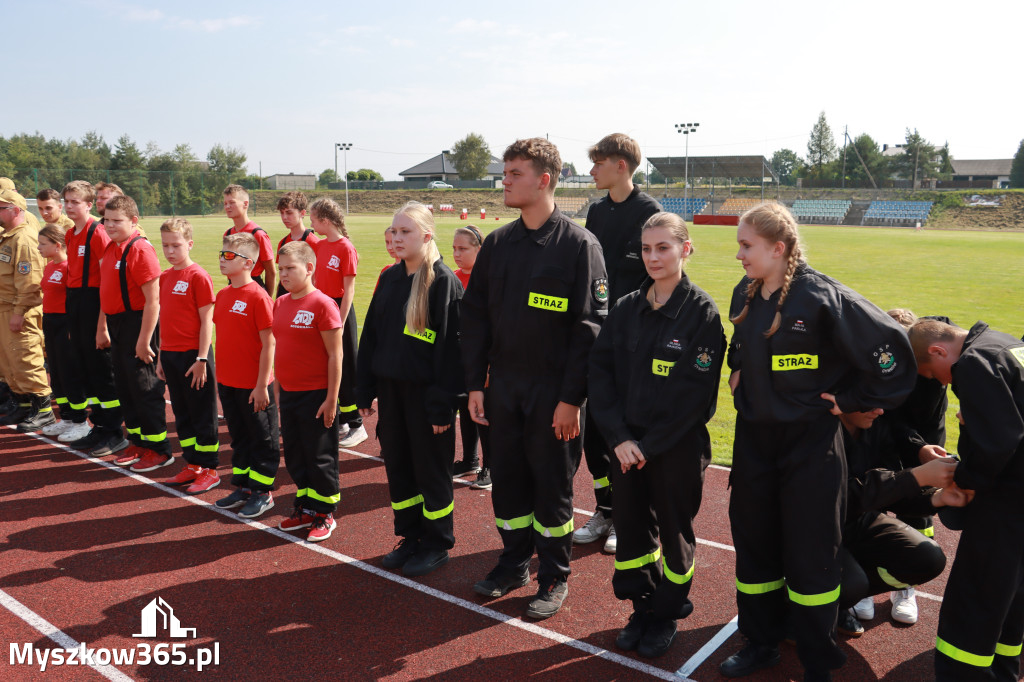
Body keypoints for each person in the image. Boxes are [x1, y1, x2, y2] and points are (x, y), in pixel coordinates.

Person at [720, 201, 916, 681]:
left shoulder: (824, 297)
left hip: (809, 448)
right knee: (756, 548)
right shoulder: (744, 294)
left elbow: (892, 354)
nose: (739, 255)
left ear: (778, 248)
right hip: (753, 445)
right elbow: (739, 345)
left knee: (811, 555)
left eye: (747, 245)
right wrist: (737, 368)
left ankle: (816, 658)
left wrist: (848, 399)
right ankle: (761, 641)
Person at [461, 138, 608, 619]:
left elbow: (591, 329)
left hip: (553, 392)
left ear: (544, 180)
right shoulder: (499, 244)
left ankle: (554, 575)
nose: (504, 180)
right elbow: (476, 316)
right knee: (507, 482)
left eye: (514, 173)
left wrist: (571, 399)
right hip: (503, 387)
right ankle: (513, 562)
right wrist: (477, 384)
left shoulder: (579, 246)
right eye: (505, 172)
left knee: (551, 485)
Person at [588, 212, 724, 658]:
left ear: (686, 249)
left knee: (674, 531)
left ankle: (666, 612)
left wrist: (648, 445)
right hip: (625, 446)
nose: (653, 257)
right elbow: (601, 376)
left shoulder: (702, 314)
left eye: (663, 247)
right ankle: (641, 607)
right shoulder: (626, 307)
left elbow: (694, 398)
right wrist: (621, 438)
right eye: (646, 249)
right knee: (630, 530)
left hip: (674, 448)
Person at [909, 318, 1024, 682]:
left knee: (975, 600)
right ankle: (1004, 671)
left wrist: (964, 479)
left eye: (933, 372)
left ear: (938, 351)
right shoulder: (1005, 343)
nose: (942, 382)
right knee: (1012, 597)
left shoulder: (973, 362)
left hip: (1006, 501)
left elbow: (998, 442)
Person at [356, 201, 463, 577]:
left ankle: (437, 542)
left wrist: (441, 407)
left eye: (406, 232)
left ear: (427, 236)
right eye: (395, 231)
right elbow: (371, 336)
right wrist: (364, 387)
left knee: (431, 471)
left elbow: (451, 352)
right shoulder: (389, 277)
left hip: (426, 399)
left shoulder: (442, 281)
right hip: (391, 394)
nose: (397, 238)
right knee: (399, 467)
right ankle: (411, 536)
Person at [576, 133, 663, 555]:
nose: (592, 170)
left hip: (634, 339)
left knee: (627, 430)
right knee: (595, 431)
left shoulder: (649, 211)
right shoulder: (597, 211)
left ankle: (631, 517)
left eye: (599, 163)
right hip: (598, 336)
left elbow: (656, 277)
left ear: (621, 166)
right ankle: (605, 509)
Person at [849, 307, 951, 626]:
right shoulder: (871, 374)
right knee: (862, 505)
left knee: (917, 522)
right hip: (880, 442)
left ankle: (901, 587)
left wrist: (929, 474)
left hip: (913, 443)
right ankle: (855, 586)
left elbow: (922, 424)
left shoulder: (929, 378)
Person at [835, 406, 960, 638]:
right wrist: (916, 476)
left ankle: (836, 601)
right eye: (870, 398)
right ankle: (792, 607)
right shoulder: (818, 429)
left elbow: (892, 492)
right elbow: (840, 497)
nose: (880, 409)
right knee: (852, 584)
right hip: (816, 531)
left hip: (856, 523)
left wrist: (939, 496)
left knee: (927, 558)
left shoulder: (876, 427)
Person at [274, 241, 343, 542]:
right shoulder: (280, 303)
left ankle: (325, 513)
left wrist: (331, 399)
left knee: (320, 456)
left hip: (316, 395)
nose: (284, 274)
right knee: (296, 455)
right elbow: (281, 350)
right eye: (280, 269)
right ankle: (305, 507)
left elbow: (335, 355)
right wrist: (278, 390)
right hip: (289, 393)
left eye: (290, 268)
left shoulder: (323, 304)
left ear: (310, 268)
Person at [97, 195, 170, 472]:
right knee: (126, 387)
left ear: (134, 222)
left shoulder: (139, 249)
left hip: (138, 324)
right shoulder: (111, 247)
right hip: (117, 324)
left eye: (117, 221)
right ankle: (139, 441)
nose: (110, 226)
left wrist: (143, 340)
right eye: (106, 220)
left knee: (144, 387)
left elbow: (154, 300)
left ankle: (160, 449)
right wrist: (102, 326)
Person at [212, 233, 280, 519]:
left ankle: (263, 493)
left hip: (254, 386)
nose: (222, 260)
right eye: (221, 254)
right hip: (228, 382)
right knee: (239, 438)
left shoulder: (258, 296)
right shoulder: (223, 295)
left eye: (229, 256)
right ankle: (244, 487)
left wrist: (262, 385)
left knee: (262, 439)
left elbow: (270, 343)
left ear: (249, 264)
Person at [59, 180, 127, 454]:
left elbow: (107, 280)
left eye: (75, 201)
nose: (69, 206)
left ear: (89, 205)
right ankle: (98, 426)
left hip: (95, 304)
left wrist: (102, 324)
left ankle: (113, 430)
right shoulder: (69, 234)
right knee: (86, 368)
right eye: (67, 201)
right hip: (76, 303)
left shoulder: (97, 233)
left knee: (102, 370)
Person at [157, 218, 221, 494]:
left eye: (176, 245)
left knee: (202, 413)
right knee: (182, 413)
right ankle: (192, 464)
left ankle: (210, 469)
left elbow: (207, 321)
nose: (170, 251)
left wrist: (202, 359)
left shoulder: (198, 276)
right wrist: (160, 356)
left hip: (195, 357)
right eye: (165, 246)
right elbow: (164, 319)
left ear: (190, 244)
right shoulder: (164, 277)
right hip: (170, 355)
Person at [308, 197, 364, 448]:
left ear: (325, 221)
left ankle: (357, 425)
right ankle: (339, 418)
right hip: (323, 308)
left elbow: (349, 290)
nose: (310, 224)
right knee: (324, 365)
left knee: (346, 367)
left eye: (313, 219)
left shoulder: (346, 248)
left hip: (340, 311)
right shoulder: (319, 246)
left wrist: (338, 322)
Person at [0, 188, 54, 432]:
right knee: (10, 360)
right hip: (5, 308)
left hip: (16, 309)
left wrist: (19, 313)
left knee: (26, 357)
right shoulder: (8, 236)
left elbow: (31, 282)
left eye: (1, 207)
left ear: (16, 210)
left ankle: (43, 410)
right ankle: (21, 404)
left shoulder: (24, 239)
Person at [37, 223, 87, 437]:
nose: (38, 247)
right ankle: (66, 417)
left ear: (57, 245)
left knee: (70, 374)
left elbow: (77, 301)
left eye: (42, 243)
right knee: (56, 373)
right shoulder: (49, 267)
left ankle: (80, 422)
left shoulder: (70, 267)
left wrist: (73, 327)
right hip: (49, 322)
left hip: (65, 323)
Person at [451, 224, 491, 489]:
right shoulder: (451, 278)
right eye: (454, 248)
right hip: (457, 357)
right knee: (465, 409)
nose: (457, 253)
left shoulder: (487, 279)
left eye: (463, 248)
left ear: (479, 249)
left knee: (484, 412)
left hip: (482, 358)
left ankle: (490, 467)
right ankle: (469, 459)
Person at [222, 184, 276, 295]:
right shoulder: (227, 234)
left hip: (253, 287)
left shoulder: (258, 234)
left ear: (245, 204)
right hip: (233, 286)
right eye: (225, 203)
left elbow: (271, 271)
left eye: (232, 203)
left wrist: (268, 298)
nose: (227, 207)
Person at [274, 191, 319, 298]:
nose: (284, 217)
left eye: (289, 213)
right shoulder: (283, 242)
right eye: (282, 213)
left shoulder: (313, 242)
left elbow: (316, 277)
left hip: (304, 295)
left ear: (302, 213)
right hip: (285, 294)